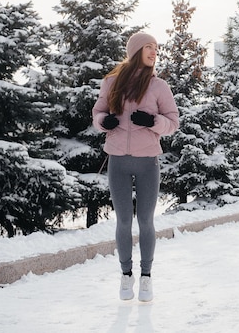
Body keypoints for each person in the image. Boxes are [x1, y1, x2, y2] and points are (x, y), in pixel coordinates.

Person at [92, 32, 179, 302]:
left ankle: (146, 277)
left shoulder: (159, 87)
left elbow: (173, 122)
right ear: (135, 51)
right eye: (148, 47)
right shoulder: (111, 83)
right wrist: (104, 122)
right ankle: (126, 274)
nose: (154, 52)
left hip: (147, 162)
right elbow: (98, 112)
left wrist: (152, 121)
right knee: (124, 221)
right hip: (117, 160)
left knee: (145, 221)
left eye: (156, 48)